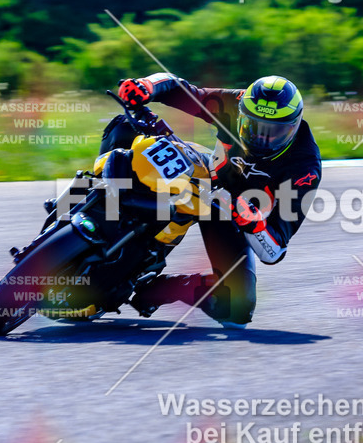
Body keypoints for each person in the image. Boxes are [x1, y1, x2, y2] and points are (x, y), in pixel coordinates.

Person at [107, 73, 322, 329]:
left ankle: (168, 287)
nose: (261, 139)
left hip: (229, 210)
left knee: (237, 308)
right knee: (126, 124)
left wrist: (255, 224)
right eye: (253, 127)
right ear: (242, 112)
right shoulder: (237, 102)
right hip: (206, 171)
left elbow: (275, 252)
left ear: (294, 126)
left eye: (273, 132)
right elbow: (183, 90)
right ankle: (95, 194)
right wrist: (147, 86)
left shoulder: (304, 169)